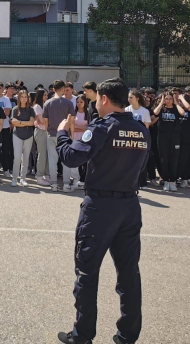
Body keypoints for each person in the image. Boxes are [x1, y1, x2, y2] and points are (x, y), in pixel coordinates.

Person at [55, 78, 149, 344]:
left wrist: (63, 133)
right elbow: (142, 166)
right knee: (129, 274)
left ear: (104, 99)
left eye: (97, 98)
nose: (95, 103)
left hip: (100, 208)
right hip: (129, 205)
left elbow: (72, 157)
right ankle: (127, 336)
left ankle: (82, 335)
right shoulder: (140, 129)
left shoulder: (102, 127)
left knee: (87, 272)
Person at [43, 80, 75, 192]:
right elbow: (72, 121)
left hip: (51, 133)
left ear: (53, 89)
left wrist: (47, 131)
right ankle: (66, 185)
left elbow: (45, 121)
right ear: (63, 89)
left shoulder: (47, 103)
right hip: (65, 134)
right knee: (65, 160)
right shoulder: (68, 103)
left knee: (52, 160)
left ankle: (54, 184)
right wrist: (72, 134)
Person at [152, 91, 181, 192]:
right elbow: (155, 112)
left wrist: (176, 103)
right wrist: (161, 103)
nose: (168, 101)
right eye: (166, 99)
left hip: (175, 136)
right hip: (162, 135)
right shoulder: (162, 108)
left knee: (174, 158)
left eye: (170, 99)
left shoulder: (176, 108)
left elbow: (182, 113)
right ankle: (166, 181)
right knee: (164, 159)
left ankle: (172, 181)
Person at [10, 89, 36, 188]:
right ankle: (14, 178)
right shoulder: (15, 109)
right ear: (19, 98)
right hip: (17, 135)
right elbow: (14, 123)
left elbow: (32, 123)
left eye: (26, 97)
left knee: (26, 158)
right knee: (17, 158)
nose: (24, 99)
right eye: (22, 97)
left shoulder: (31, 110)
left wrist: (20, 122)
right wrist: (26, 123)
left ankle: (23, 178)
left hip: (29, 136)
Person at [32, 88, 50, 186]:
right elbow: (42, 121)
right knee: (42, 154)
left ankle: (46, 175)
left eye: (47, 95)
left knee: (48, 154)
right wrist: (48, 119)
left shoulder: (46, 105)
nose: (46, 97)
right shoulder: (37, 106)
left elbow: (44, 120)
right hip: (40, 131)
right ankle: (39, 176)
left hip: (47, 131)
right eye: (44, 95)